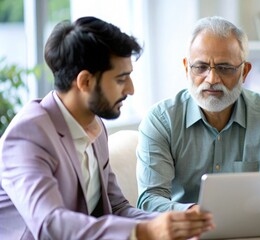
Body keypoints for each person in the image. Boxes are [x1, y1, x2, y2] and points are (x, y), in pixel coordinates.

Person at [0, 16, 213, 239]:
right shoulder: (28, 135)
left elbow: (118, 208)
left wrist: (180, 221)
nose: (131, 89)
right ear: (85, 82)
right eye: (121, 79)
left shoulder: (94, 125)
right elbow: (50, 223)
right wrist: (144, 232)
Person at [136, 16, 260, 212]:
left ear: (244, 72)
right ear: (187, 68)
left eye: (224, 68)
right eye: (201, 67)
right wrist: (194, 215)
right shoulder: (161, 120)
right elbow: (149, 200)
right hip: (187, 230)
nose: (212, 79)